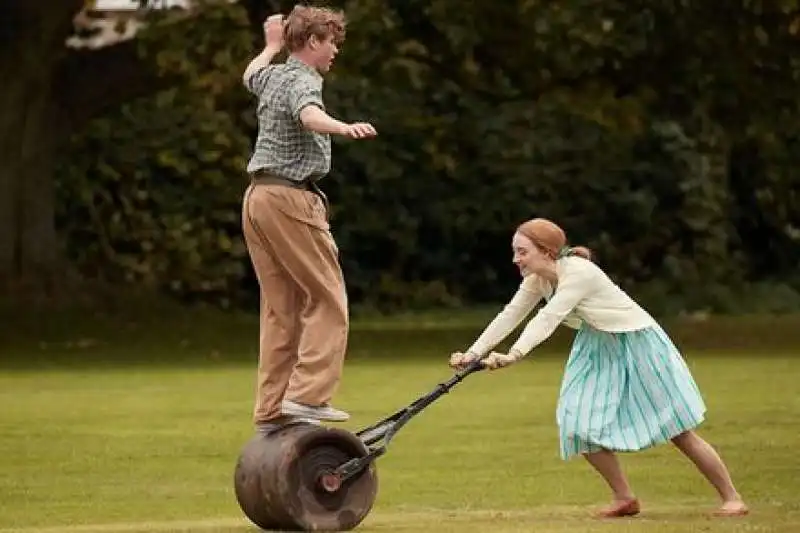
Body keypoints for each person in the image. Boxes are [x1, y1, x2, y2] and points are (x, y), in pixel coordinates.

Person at [449, 218, 749, 518]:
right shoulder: (538, 278)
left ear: (547, 252)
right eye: (515, 251)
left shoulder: (579, 273)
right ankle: (624, 498)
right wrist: (473, 353)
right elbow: (510, 314)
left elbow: (548, 317)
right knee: (577, 423)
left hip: (637, 341)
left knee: (677, 429)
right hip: (597, 344)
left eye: (522, 251)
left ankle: (732, 498)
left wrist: (514, 354)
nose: (515, 259)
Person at [240, 6, 377, 433]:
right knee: (328, 299)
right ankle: (308, 396)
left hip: (258, 197)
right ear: (313, 41)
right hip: (290, 198)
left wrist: (270, 46)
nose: (335, 49)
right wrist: (342, 127)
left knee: (282, 309)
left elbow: (249, 76)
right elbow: (308, 114)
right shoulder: (301, 79)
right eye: (332, 41)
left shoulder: (275, 73)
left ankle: (273, 409)